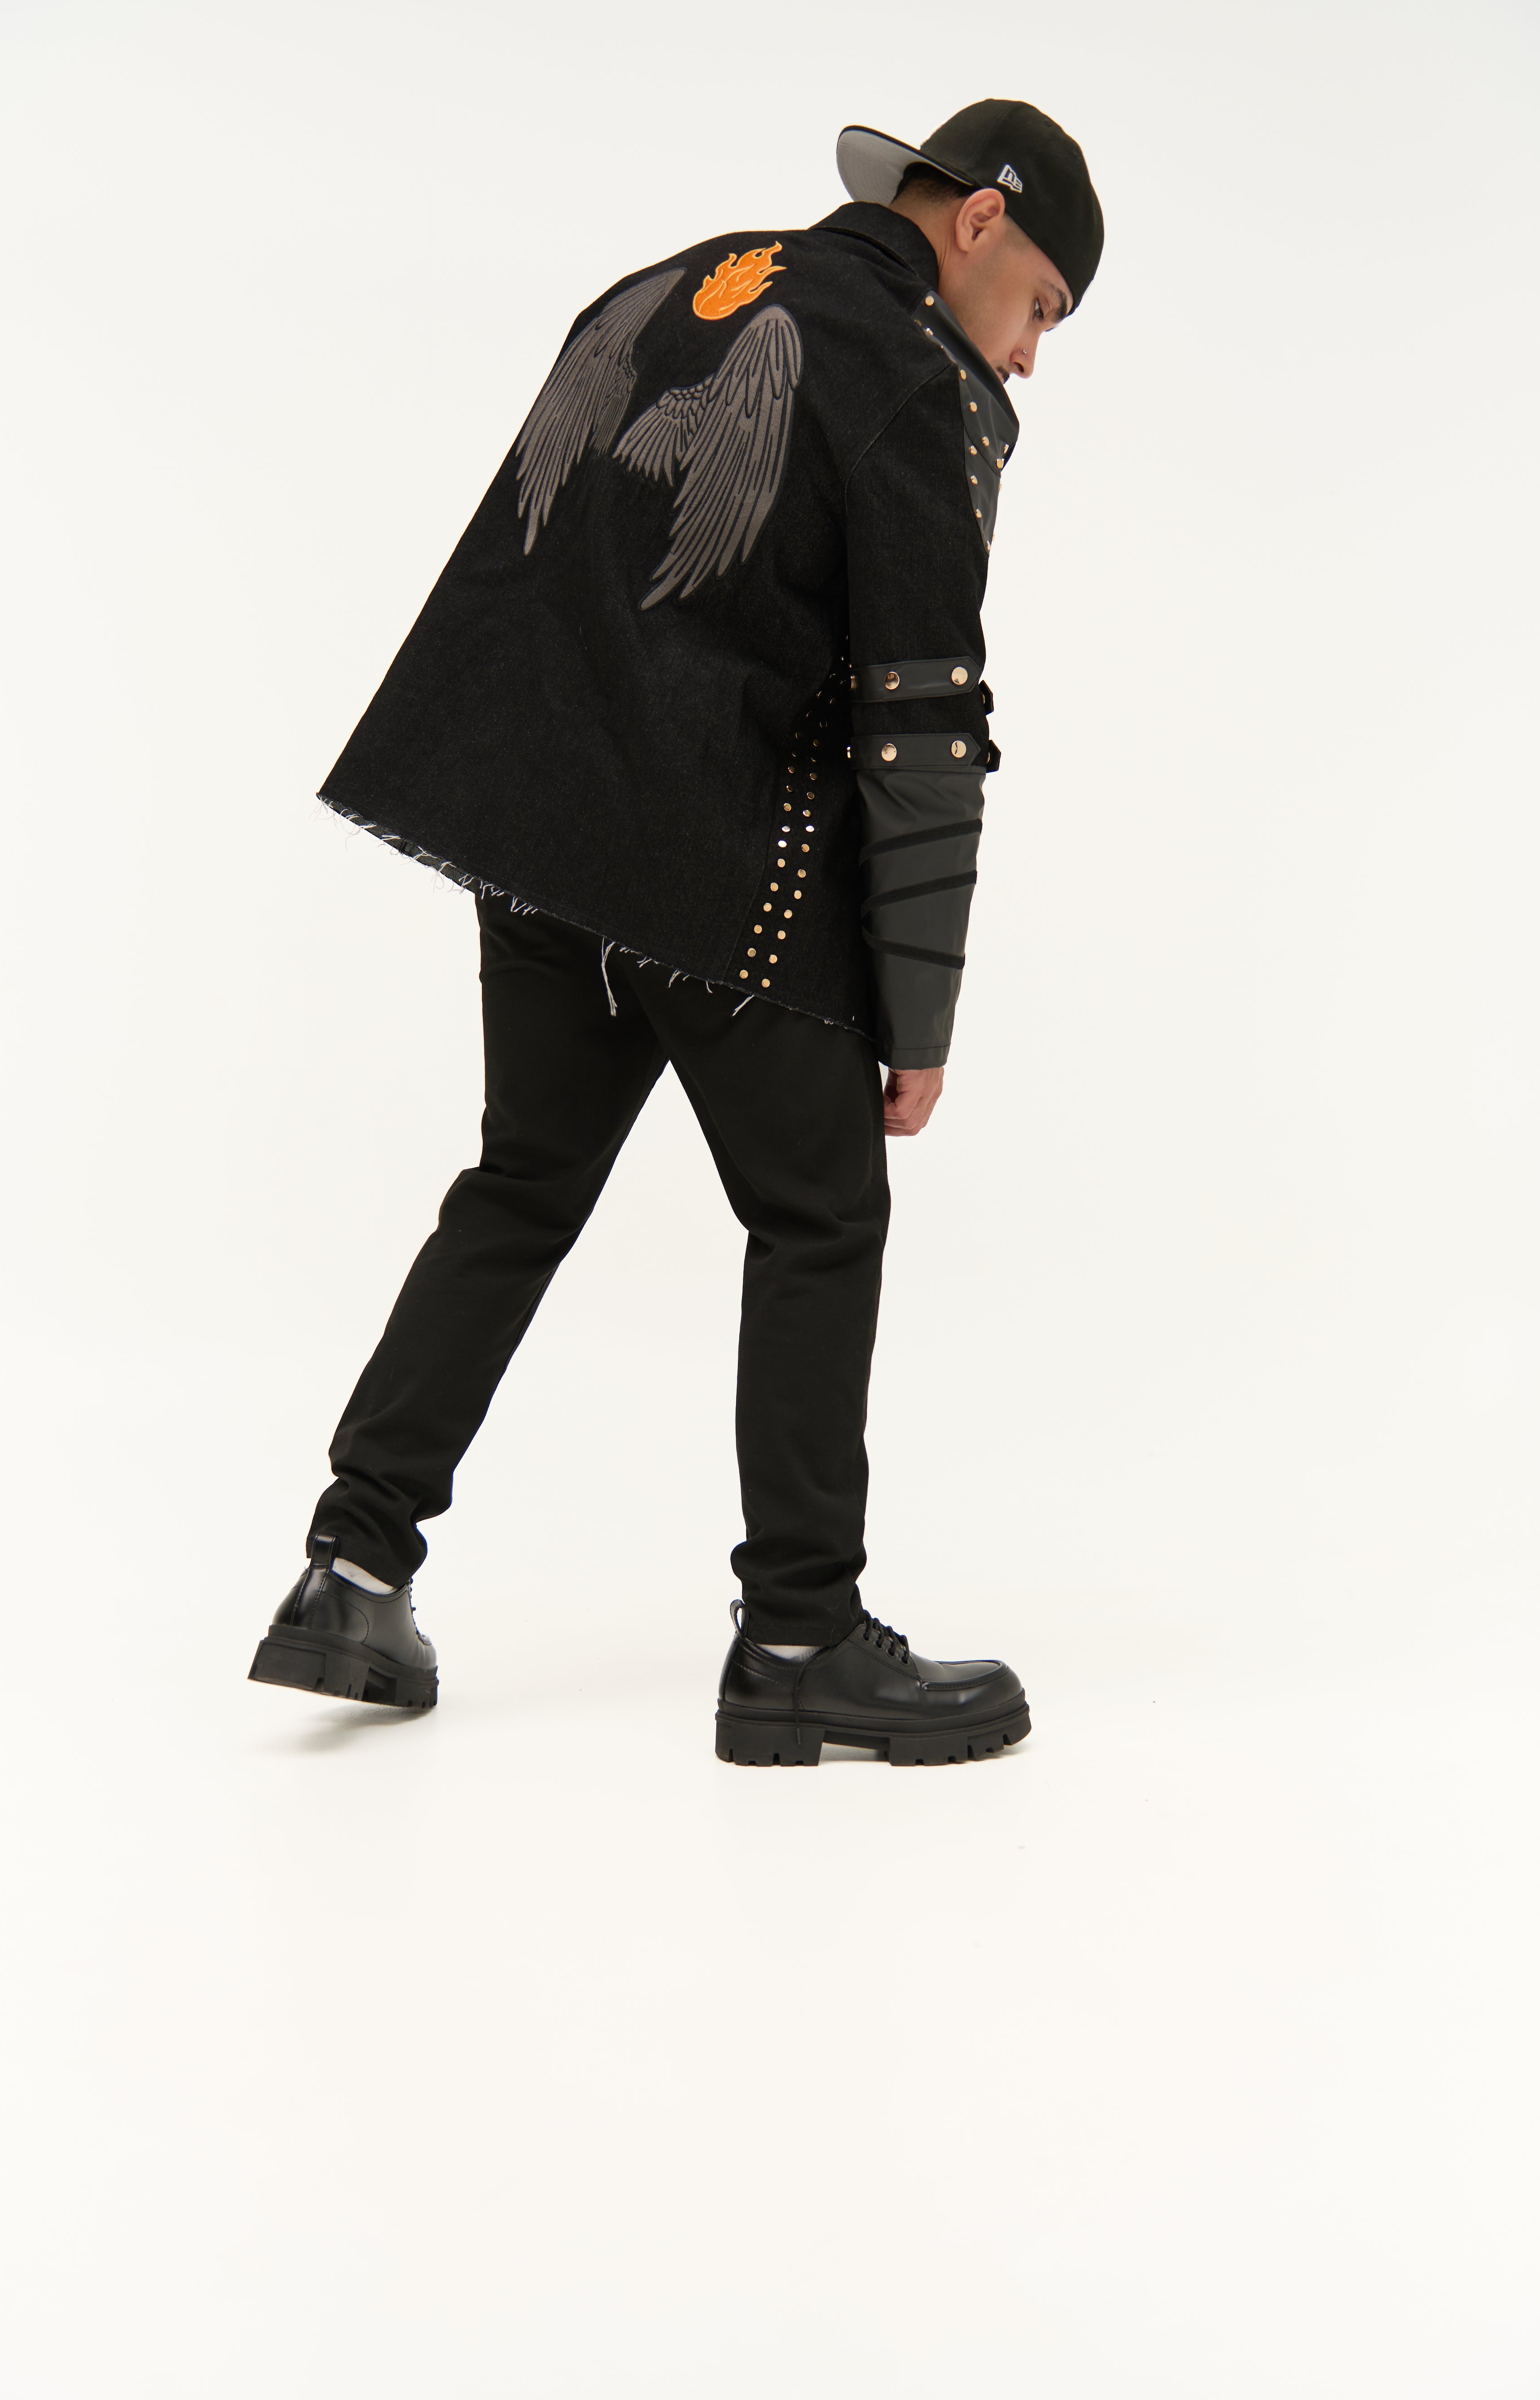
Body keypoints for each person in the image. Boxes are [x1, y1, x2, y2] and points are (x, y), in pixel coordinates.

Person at [248, 98, 1103, 1763]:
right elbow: (923, 723)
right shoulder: (910, 375)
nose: (1030, 355)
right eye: (1046, 310)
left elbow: (533, 565)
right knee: (821, 1215)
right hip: (715, 866)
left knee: (521, 1184)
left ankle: (349, 1568)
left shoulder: (663, 286)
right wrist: (919, 1011)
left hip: (535, 833)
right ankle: (799, 1636)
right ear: (981, 223)